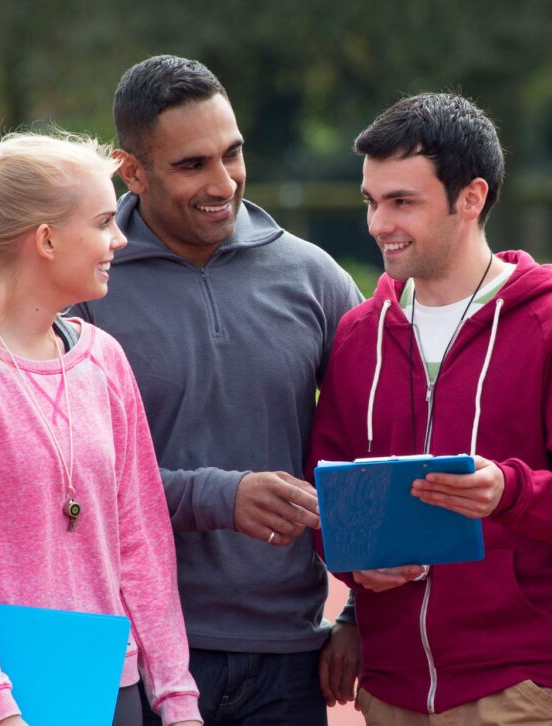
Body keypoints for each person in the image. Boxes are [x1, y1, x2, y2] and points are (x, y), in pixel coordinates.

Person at [307, 92, 552, 726]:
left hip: (521, 684)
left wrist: (505, 490)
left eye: (402, 202)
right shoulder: (356, 336)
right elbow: (325, 490)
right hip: (390, 686)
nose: (378, 224)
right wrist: (352, 561)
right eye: (372, 202)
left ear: (471, 198)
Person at [69, 55, 364, 725]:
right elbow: (76, 482)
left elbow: (375, 453)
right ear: (132, 171)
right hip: (134, 656)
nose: (222, 182)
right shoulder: (85, 292)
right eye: (192, 164)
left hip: (289, 660)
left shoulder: (315, 279)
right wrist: (221, 497)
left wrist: (358, 609)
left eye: (232, 154)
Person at [0, 131, 202, 726]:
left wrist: (176, 698)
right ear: (48, 240)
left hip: (112, 689)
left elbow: (142, 544)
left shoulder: (104, 358)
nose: (119, 239)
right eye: (105, 221)